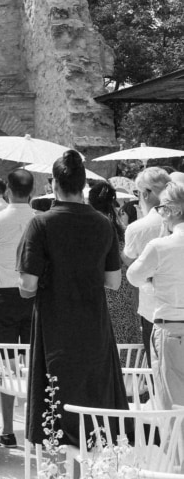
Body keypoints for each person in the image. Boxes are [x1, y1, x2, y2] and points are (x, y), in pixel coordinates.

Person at [17, 149, 128, 448]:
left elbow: (27, 285)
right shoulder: (103, 224)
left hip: (56, 328)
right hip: (94, 328)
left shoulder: (40, 224)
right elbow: (114, 281)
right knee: (96, 414)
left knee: (55, 414)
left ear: (54, 183)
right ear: (84, 186)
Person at [0, 168, 35, 449]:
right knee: (32, 363)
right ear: (32, 192)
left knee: (7, 366)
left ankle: (6, 429)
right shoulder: (39, 219)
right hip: (31, 296)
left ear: (8, 191)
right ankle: (34, 427)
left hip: (3, 296)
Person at [126, 181, 184, 409]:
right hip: (170, 325)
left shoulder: (161, 246)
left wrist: (154, 279)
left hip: (171, 327)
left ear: (174, 210)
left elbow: (134, 276)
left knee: (171, 405)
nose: (161, 214)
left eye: (162, 208)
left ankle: (176, 446)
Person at [122, 166, 171, 364]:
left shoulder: (137, 229)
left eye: (137, 193)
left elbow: (130, 265)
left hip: (154, 311)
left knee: (158, 374)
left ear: (146, 193)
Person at [87, 180, 140, 345]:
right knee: (125, 349)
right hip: (124, 294)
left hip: (96, 296)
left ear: (89, 202)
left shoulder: (87, 231)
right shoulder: (123, 231)